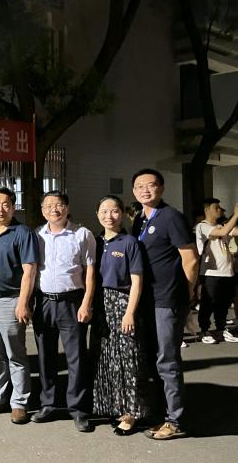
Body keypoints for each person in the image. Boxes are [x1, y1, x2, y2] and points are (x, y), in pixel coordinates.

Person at [131, 168, 198, 440]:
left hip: (167, 299)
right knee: (152, 358)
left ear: (161, 188)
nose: (145, 190)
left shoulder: (171, 217)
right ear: (134, 191)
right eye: (139, 186)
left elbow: (190, 259)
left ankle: (175, 420)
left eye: (151, 185)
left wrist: (187, 292)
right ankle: (160, 412)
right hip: (147, 299)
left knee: (167, 360)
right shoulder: (140, 219)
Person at [31, 191, 96, 433]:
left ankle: (78, 409)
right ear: (42, 210)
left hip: (72, 302)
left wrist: (86, 302)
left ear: (67, 208)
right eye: (48, 206)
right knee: (45, 356)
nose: (54, 210)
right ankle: (48, 404)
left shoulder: (82, 234)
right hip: (44, 302)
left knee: (76, 357)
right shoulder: (36, 235)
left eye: (58, 205)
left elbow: (90, 271)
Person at [0, 186, 39, 425]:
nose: (0, 209)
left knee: (15, 354)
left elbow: (29, 271)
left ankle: (19, 403)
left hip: (10, 301)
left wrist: (23, 303)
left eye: (5, 204)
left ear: (13, 207)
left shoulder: (22, 233)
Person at [91, 195, 148, 436]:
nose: (109, 216)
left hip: (123, 303)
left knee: (127, 359)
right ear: (97, 214)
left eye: (114, 211)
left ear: (123, 214)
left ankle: (131, 412)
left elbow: (137, 281)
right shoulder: (94, 242)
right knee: (105, 358)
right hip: (100, 304)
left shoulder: (130, 242)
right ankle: (113, 406)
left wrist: (130, 312)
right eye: (104, 211)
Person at [195, 198, 238, 344]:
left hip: (227, 272)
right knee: (208, 303)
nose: (220, 210)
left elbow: (233, 231)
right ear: (207, 210)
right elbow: (223, 232)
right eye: (216, 208)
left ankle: (221, 328)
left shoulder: (223, 225)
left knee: (223, 304)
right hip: (211, 273)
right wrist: (236, 215)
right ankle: (204, 330)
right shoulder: (202, 226)